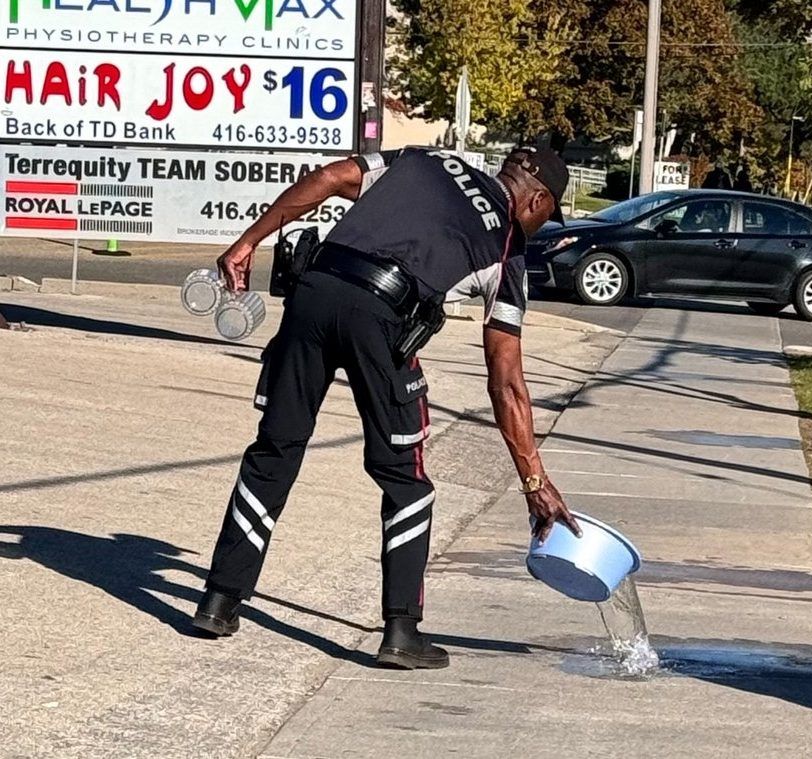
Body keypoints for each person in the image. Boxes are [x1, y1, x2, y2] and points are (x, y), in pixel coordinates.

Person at [191, 146, 582, 670]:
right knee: (405, 479)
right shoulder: (508, 248)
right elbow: (506, 382)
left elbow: (329, 176)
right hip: (379, 317)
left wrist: (247, 242)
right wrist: (534, 481)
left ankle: (219, 601)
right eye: (546, 214)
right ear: (535, 199)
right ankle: (401, 631)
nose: (539, 226)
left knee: (275, 450)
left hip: (313, 294)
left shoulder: (425, 159)